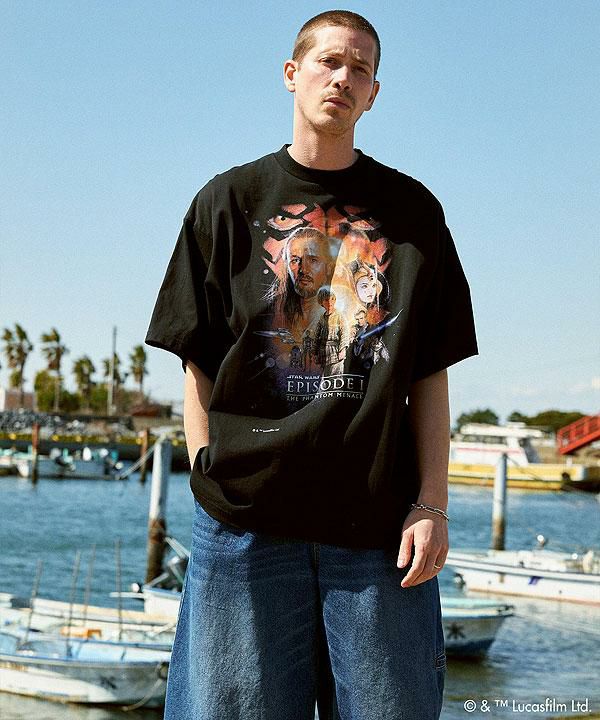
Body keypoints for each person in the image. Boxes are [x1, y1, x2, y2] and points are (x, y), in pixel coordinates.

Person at [144, 9, 478, 720]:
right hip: (246, 524)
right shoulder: (227, 202)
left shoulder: (414, 214)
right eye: (329, 61)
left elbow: (429, 372)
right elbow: (198, 360)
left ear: (374, 93)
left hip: (379, 530)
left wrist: (432, 503)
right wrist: (205, 465)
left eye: (360, 68)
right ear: (292, 73)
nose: (342, 78)